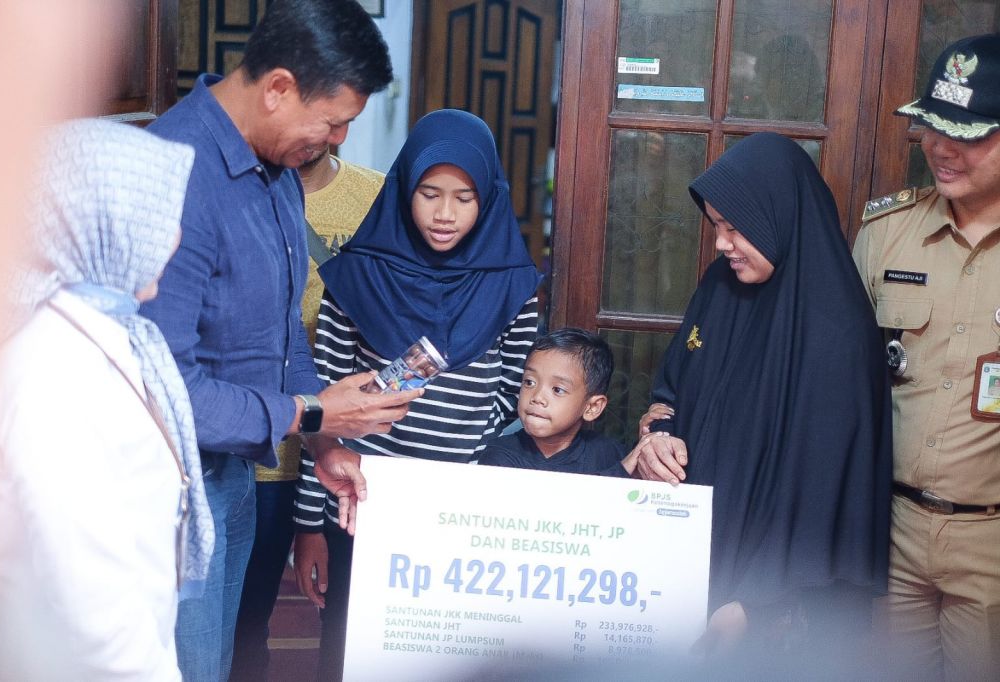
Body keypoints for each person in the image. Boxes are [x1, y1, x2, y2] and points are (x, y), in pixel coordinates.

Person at [141, 1, 420, 679]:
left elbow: (284, 331)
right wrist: (314, 412)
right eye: (333, 121)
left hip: (233, 473)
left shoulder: (276, 170)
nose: (340, 140)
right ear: (278, 88)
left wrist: (323, 441)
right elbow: (162, 391)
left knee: (222, 662)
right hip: (170, 491)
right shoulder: (173, 173)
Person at [293, 108, 541, 681]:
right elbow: (322, 412)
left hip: (462, 514)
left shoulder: (513, 286)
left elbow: (513, 391)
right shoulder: (356, 278)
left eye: (464, 198)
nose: (445, 213)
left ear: (489, 198)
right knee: (352, 654)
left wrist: (465, 449)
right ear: (404, 188)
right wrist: (310, 527)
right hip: (360, 506)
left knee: (446, 660)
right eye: (429, 194)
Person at [632, 133, 892, 667]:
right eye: (716, 226)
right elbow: (673, 387)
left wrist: (756, 602)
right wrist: (659, 433)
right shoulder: (720, 287)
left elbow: (826, 495)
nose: (721, 244)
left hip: (775, 598)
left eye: (735, 227)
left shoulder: (838, 335)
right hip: (691, 561)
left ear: (779, 217)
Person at [0, 119, 207, 680]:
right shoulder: (52, 369)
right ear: (104, 224)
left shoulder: (108, 332)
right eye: (161, 219)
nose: (175, 238)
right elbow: (89, 598)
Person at [852, 33, 1000, 681]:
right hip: (891, 531)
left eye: (965, 133)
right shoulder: (887, 233)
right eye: (933, 126)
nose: (940, 147)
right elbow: (842, 380)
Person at [230, 148, 384, 681]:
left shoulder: (374, 194)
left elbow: (294, 335)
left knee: (259, 626)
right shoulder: (236, 193)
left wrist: (325, 436)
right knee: (227, 623)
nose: (331, 130)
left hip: (325, 444)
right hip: (239, 446)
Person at [479, 327, 632, 476]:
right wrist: (620, 472)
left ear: (592, 407)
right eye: (529, 382)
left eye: (557, 390)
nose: (537, 397)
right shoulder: (500, 455)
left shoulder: (609, 455)